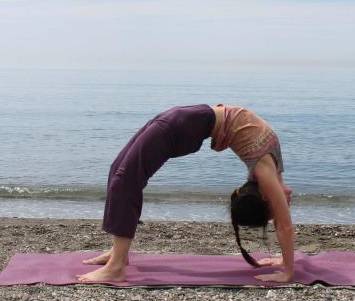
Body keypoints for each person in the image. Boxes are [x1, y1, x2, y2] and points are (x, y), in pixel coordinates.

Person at [77, 104, 293, 283]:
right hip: (182, 123)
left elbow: (281, 218)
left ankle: (117, 262)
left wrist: (284, 260)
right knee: (119, 172)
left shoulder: (268, 172)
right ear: (266, 197)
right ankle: (117, 260)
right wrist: (288, 272)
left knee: (124, 180)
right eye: (280, 205)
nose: (286, 202)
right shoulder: (265, 173)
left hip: (185, 121)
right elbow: (285, 225)